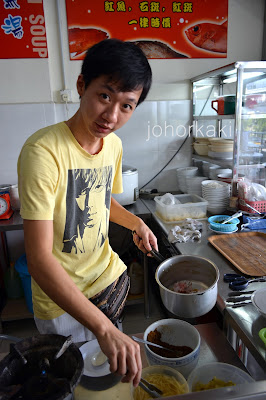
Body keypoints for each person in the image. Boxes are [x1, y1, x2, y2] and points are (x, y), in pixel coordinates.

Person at [17, 38, 158, 387]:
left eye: (127, 105)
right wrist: (102, 327)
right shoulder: (43, 151)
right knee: (76, 385)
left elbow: (101, 200)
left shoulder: (114, 145)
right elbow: (37, 259)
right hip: (63, 301)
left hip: (106, 282)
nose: (111, 116)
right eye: (105, 96)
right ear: (82, 86)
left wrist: (136, 221)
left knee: (113, 376)